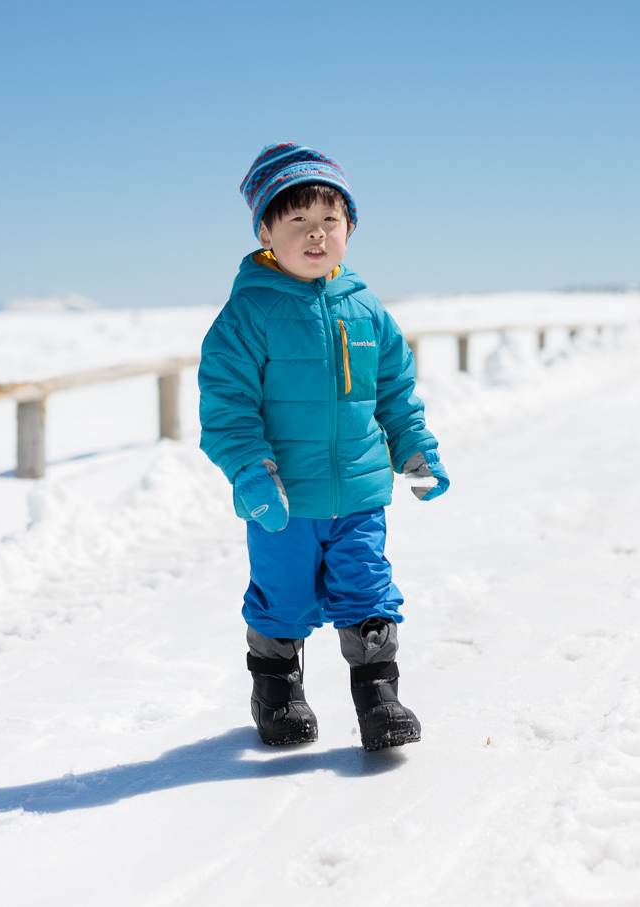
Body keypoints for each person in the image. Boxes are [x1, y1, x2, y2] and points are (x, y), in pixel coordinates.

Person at [197, 143, 449, 751]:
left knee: (367, 590)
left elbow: (394, 392)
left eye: (329, 221)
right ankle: (278, 694)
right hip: (284, 496)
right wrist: (252, 475)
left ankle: (379, 699)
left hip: (361, 494)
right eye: (298, 223)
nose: (317, 236)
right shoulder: (248, 313)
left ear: (350, 227)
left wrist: (414, 451)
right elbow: (226, 408)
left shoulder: (365, 309)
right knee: (281, 597)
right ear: (266, 232)